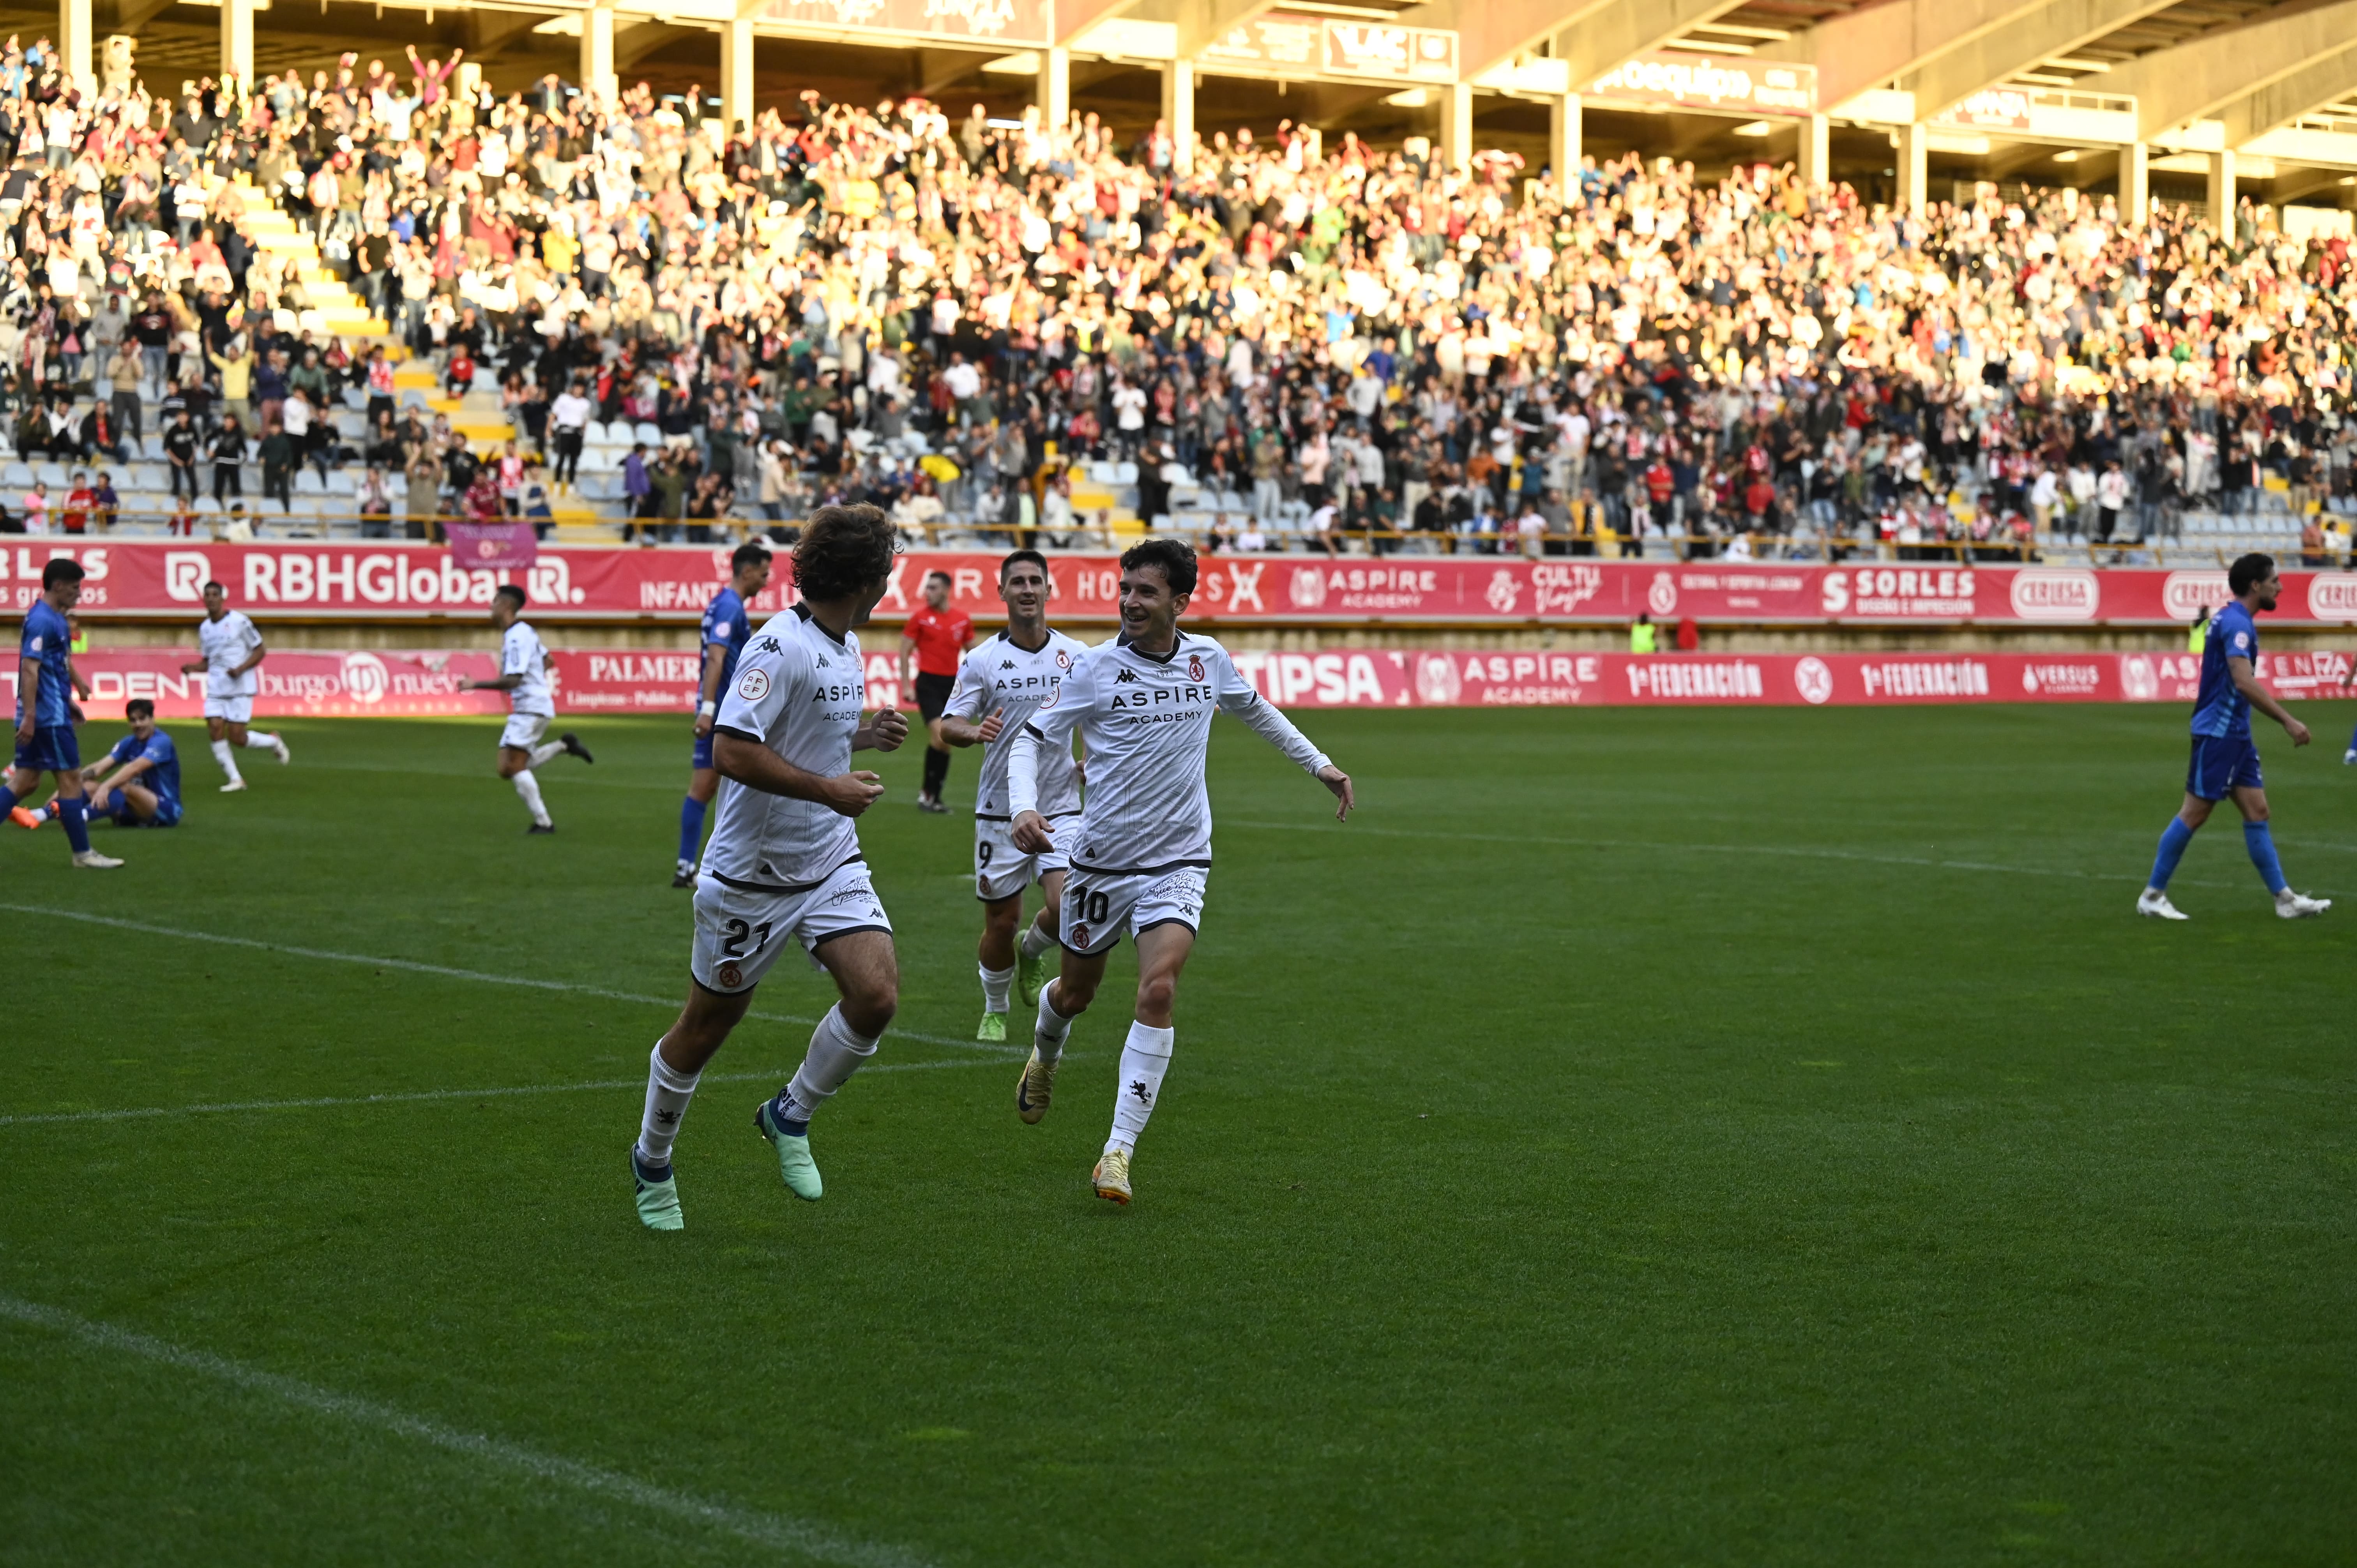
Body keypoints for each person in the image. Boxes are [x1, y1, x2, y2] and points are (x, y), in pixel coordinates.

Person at [1005, 539, 1352, 1204]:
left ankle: (1116, 1152)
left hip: (1179, 857)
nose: (1130, 602)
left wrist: (1320, 764)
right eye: (1125, 588)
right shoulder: (1096, 668)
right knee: (1074, 996)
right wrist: (1024, 804)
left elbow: (1256, 710)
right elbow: (1032, 736)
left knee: (1157, 992)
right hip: (1102, 862)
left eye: (1145, 591)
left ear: (1179, 601)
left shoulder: (1206, 659)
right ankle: (1044, 1054)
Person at [625, 504, 912, 1233]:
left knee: (876, 995)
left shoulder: (843, 643)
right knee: (703, 1030)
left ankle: (789, 1112)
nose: (888, 584)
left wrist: (864, 738)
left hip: (828, 859)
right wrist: (832, 788)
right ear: (866, 577)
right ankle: (652, 1157)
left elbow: (809, 735)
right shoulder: (777, 645)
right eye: (885, 571)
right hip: (752, 876)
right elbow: (731, 748)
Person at [936, 549, 1088, 1043]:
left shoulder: (1076, 656)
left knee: (1067, 905)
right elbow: (947, 726)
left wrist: (1096, 763)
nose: (1027, 589)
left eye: (1035, 581)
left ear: (1049, 590)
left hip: (1061, 803)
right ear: (1001, 592)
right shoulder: (981, 660)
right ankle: (995, 1007)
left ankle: (1033, 951)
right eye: (1017, 582)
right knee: (1002, 923)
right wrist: (975, 731)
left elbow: (1104, 716)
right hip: (999, 810)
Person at [2138, 553, 2330, 921]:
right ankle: (2152, 895)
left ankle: (2285, 900)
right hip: (2219, 733)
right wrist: (2288, 721)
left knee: (2258, 811)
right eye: (2274, 580)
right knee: (2195, 813)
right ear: (2256, 586)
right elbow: (2243, 680)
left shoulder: (2229, 618)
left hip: (2236, 735)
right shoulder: (2238, 624)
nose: (2280, 586)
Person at [0, 558, 119, 867]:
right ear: (59, 586)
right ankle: (83, 854)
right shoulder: (42, 620)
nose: (79, 594)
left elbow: (58, 664)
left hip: (51, 712)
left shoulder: (55, 619)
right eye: (76, 588)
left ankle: (83, 854)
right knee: (70, 781)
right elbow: (30, 669)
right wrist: (30, 716)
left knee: (25, 782)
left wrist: (73, 694)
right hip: (47, 720)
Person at [675, 540, 772, 886]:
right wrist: (708, 709)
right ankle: (711, 867)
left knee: (714, 789)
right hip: (727, 711)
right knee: (732, 787)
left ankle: (691, 866)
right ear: (746, 571)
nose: (767, 581)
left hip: (724, 709)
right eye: (763, 574)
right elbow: (716, 657)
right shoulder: (731, 607)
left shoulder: (722, 603)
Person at [465, 584, 592, 832]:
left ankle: (544, 822)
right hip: (533, 705)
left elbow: (513, 680)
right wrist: (535, 678)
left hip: (530, 708)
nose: (490, 606)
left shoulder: (516, 637)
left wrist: (474, 684)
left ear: (507, 605)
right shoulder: (526, 632)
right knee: (507, 767)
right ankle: (563, 746)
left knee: (513, 766)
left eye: (495, 601)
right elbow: (548, 660)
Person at [181, 581, 288, 791]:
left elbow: (260, 650)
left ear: (222, 598)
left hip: (240, 686)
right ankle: (236, 779)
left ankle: (273, 741)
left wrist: (241, 669)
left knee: (238, 738)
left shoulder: (239, 621)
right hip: (216, 688)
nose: (211, 599)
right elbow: (208, 661)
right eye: (208, 595)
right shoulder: (205, 628)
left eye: (215, 595)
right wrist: (193, 668)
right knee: (214, 727)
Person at [14, 698, 181, 829]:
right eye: (133, 720)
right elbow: (99, 768)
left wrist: (106, 787)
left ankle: (79, 819)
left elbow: (135, 768)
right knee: (86, 787)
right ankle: (39, 815)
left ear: (152, 719)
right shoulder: (129, 743)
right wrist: (71, 784)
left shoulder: (161, 742)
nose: (137, 725)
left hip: (165, 810)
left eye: (142, 719)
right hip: (133, 810)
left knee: (123, 786)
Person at [898, 569, 972, 813]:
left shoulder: (962, 620)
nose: (928, 593)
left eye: (933, 588)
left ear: (946, 590)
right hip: (928, 684)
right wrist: (907, 685)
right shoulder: (919, 618)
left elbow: (974, 654)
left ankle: (932, 797)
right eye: (927, 588)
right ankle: (928, 795)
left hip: (952, 686)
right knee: (941, 735)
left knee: (945, 742)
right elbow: (905, 652)